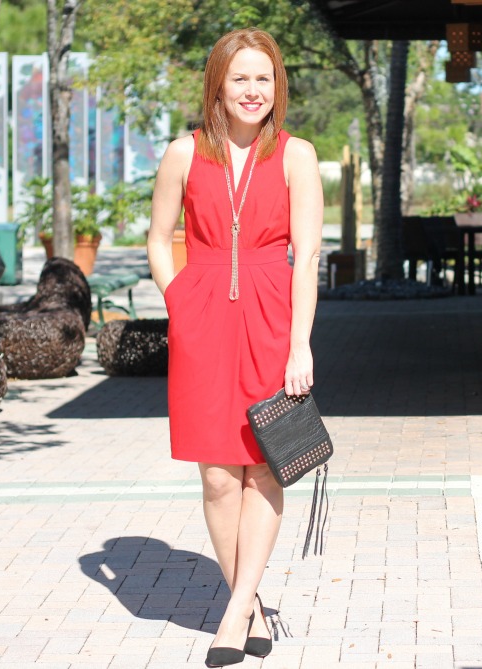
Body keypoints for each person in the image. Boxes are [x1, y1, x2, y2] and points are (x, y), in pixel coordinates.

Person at [147, 27, 323, 667]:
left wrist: (300, 343)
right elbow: (159, 238)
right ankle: (247, 602)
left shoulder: (298, 155)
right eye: (241, 78)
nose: (253, 90)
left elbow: (306, 257)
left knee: (267, 462)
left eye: (264, 78)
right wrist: (181, 304)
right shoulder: (184, 153)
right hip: (203, 324)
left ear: (277, 87)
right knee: (219, 475)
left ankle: (235, 611)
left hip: (275, 317)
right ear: (218, 84)